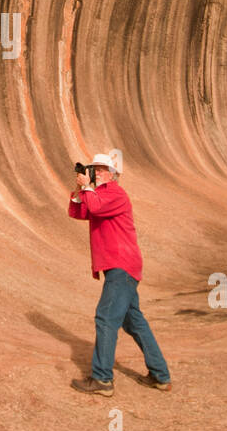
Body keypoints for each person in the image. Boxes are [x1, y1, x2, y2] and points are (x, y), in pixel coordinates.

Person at [67, 153, 171, 396]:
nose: (98, 172)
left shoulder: (115, 194)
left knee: (105, 318)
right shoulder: (99, 195)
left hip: (121, 267)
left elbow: (96, 207)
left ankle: (102, 379)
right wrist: (78, 189)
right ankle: (160, 376)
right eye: (96, 169)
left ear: (113, 174)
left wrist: (87, 188)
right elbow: (78, 212)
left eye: (102, 169)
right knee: (135, 322)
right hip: (123, 268)